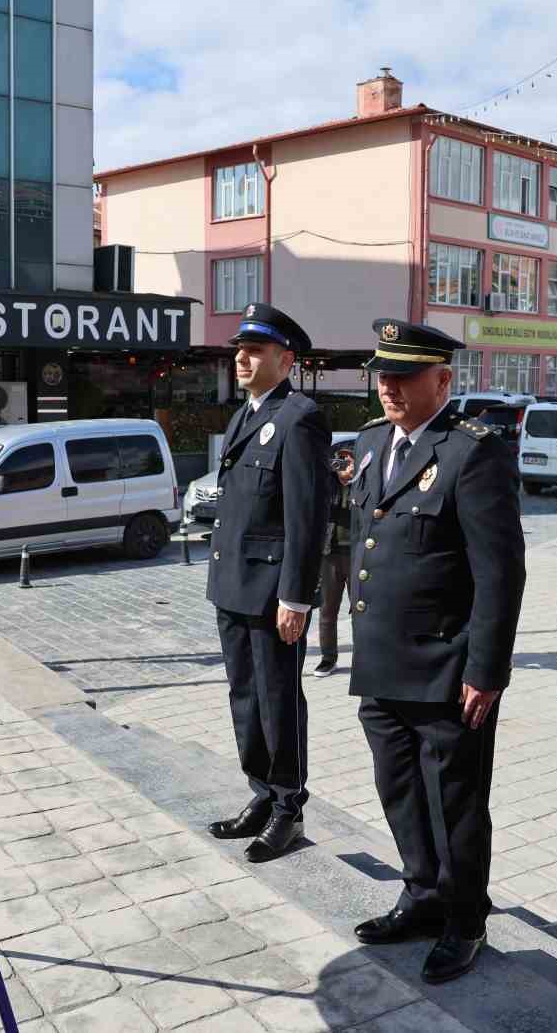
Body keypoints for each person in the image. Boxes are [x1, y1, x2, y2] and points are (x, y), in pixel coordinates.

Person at [346, 319, 525, 984]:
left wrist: (487, 668)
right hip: (382, 663)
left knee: (454, 804)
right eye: (383, 374)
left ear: (442, 380)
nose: (388, 386)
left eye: (404, 375)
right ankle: (421, 894)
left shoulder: (471, 451)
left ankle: (463, 916)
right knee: (399, 792)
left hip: (448, 669)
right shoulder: (371, 445)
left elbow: (500, 572)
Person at [205, 303, 331, 863]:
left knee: (278, 700)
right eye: (240, 348)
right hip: (232, 582)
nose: (241, 357)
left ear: (286, 359)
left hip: (272, 591)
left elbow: (307, 515)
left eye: (254, 350)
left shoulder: (299, 416)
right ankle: (261, 791)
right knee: (244, 698)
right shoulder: (245, 414)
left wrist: (296, 596)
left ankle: (288, 808)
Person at [314, 446, 356, 676]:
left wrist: (356, 474)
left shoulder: (363, 483)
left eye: (349, 462)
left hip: (357, 554)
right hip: (330, 553)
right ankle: (328, 658)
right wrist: (332, 470)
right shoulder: (327, 485)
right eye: (340, 461)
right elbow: (316, 472)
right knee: (327, 610)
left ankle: (363, 658)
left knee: (360, 611)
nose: (344, 467)